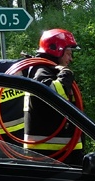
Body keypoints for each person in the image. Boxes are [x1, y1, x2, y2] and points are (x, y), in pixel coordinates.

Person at [22, 29, 83, 164]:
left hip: (60, 150)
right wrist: (65, 77)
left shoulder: (49, 71)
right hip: (49, 153)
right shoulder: (41, 72)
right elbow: (52, 96)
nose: (70, 59)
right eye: (68, 53)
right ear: (57, 50)